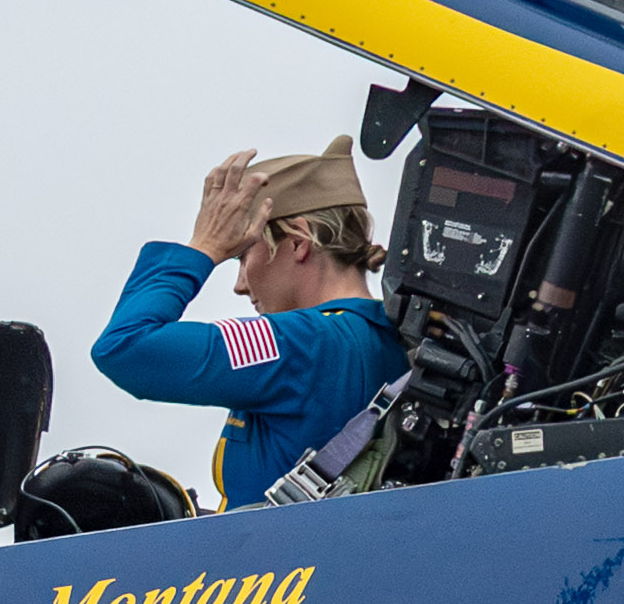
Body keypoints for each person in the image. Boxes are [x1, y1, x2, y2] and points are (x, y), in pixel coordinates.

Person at [90, 137, 408, 508]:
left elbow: (126, 347)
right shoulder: (398, 341)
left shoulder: (302, 341)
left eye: (242, 257)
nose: (241, 285)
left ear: (298, 241)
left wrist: (204, 247)